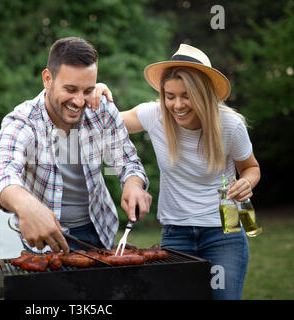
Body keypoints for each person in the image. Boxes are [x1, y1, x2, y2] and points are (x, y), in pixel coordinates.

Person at [92, 44, 261, 299]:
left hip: (225, 232)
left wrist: (247, 182)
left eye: (186, 95)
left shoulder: (230, 125)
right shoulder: (155, 115)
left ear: (204, 94)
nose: (177, 105)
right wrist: (98, 89)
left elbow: (251, 168)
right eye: (169, 96)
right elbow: (107, 121)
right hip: (176, 231)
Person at [0, 37, 152, 254]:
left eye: (87, 90)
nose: (79, 101)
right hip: (45, 240)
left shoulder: (101, 110)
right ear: (47, 79)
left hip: (99, 230)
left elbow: (127, 162)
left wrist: (133, 183)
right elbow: (3, 171)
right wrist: (26, 206)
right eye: (70, 89)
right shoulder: (23, 121)